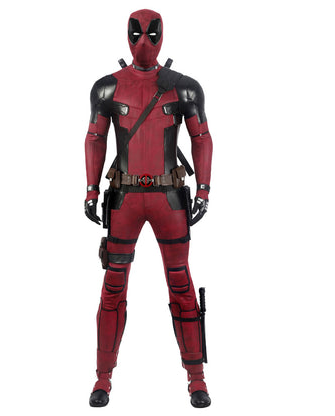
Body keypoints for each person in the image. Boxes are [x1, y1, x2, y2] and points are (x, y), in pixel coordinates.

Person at [84, 9, 213, 408]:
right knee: (113, 287)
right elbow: (94, 139)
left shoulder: (184, 88)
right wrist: (91, 189)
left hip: (168, 199)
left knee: (181, 284)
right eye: (136, 33)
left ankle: (197, 379)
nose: (143, 41)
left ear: (162, 35)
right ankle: (102, 378)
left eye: (151, 33)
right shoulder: (107, 88)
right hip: (124, 199)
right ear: (127, 34)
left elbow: (202, 138)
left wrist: (204, 190)